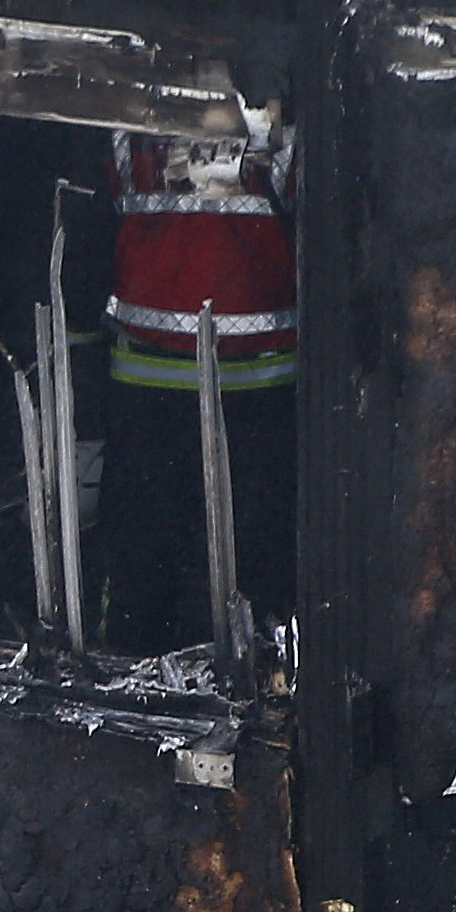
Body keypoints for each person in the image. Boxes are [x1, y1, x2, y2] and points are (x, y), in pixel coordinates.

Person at [95, 121, 298, 649]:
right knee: (250, 564)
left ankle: (138, 679)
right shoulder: (282, 123)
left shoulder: (133, 116)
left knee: (146, 561)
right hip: (254, 380)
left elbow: (106, 202)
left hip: (150, 377)